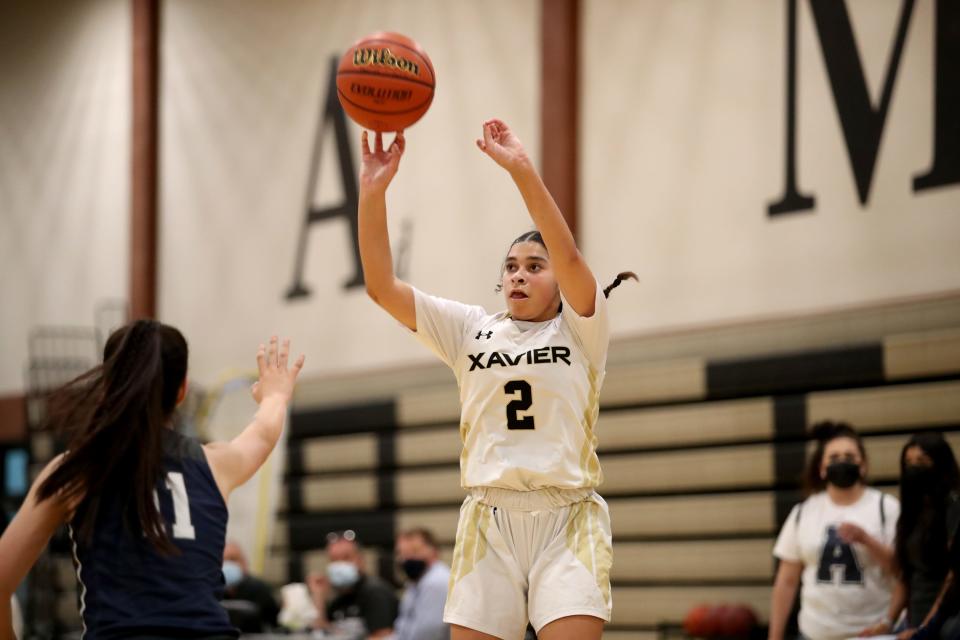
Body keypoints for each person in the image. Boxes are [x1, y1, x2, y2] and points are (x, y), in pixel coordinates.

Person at [357, 120, 634, 640]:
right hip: (489, 520)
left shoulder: (582, 329)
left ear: (558, 279)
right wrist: (373, 193)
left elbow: (570, 255)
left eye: (534, 265)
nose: (518, 275)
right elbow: (379, 286)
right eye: (510, 266)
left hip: (567, 520)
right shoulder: (469, 329)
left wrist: (521, 171)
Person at [0, 321, 303, 638]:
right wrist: (276, 395)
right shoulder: (215, 464)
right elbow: (264, 432)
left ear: (107, 386)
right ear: (182, 391)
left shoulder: (75, 471)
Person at [768, 421, 900, 640]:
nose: (842, 462)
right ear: (821, 468)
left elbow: (902, 572)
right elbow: (786, 581)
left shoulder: (887, 507)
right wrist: (774, 636)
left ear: (863, 465)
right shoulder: (804, 512)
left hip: (872, 633)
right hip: (814, 633)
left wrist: (866, 539)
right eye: (834, 457)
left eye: (849, 457)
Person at [861, 433, 960, 639]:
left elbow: (954, 575)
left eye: (922, 462)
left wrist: (928, 626)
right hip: (914, 620)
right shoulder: (912, 510)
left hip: (946, 621)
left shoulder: (954, 505)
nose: (914, 468)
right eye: (908, 463)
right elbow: (907, 576)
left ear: (940, 464)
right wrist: (888, 621)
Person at [306, 530, 398, 639]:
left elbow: (382, 636)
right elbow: (321, 631)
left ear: (361, 561)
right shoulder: (338, 598)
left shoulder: (375, 592)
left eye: (346, 558)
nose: (340, 564)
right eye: (334, 559)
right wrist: (318, 595)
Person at [393, 528, 450, 640]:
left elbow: (427, 634)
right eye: (401, 553)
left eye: (414, 551)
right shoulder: (416, 582)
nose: (406, 558)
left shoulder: (437, 582)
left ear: (434, 551)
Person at [222, 540, 280, 631]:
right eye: (222, 560)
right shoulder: (208, 592)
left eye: (232, 559)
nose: (227, 564)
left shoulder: (260, 590)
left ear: (244, 563)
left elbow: (275, 624)